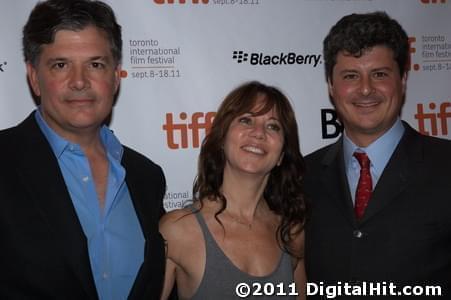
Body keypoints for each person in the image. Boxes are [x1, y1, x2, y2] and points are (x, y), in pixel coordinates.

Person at [0, 0, 166, 299]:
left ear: (115, 77)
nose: (79, 82)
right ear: (35, 77)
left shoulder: (147, 177)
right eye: (61, 65)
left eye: (95, 64)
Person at [304, 11, 451, 299]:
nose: (366, 89)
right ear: (331, 87)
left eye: (380, 74)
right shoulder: (301, 176)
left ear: (404, 80)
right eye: (350, 76)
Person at [159, 81, 307, 299]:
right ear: (222, 138)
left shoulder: (291, 232)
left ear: (282, 155)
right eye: (246, 120)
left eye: (273, 126)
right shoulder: (177, 230)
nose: (258, 133)